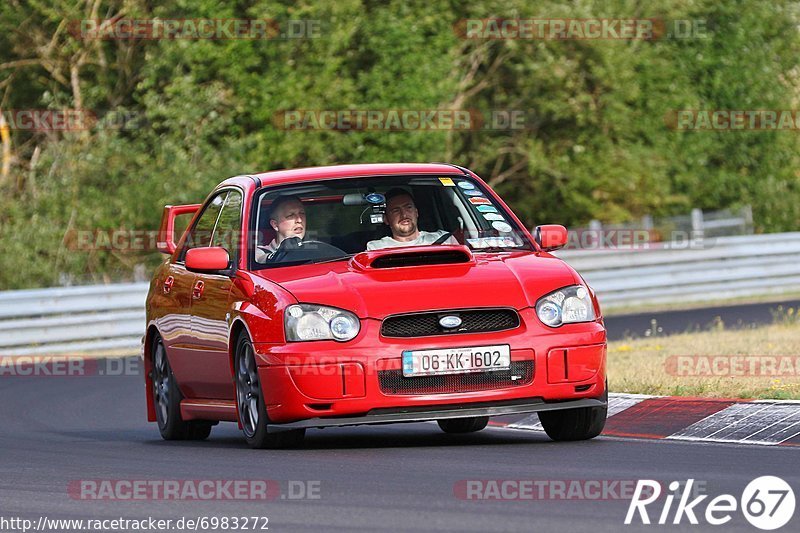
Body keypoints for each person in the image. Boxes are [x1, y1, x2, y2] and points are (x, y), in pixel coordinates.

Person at [366, 188, 457, 250]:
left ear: (416, 212)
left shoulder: (443, 239)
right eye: (396, 211)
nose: (404, 214)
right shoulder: (376, 248)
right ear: (386, 219)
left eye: (408, 207)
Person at [255, 195, 306, 262]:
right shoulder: (260, 252)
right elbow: (260, 259)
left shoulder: (314, 247)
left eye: (302, 213)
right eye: (290, 215)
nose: (299, 220)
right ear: (275, 225)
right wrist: (281, 253)